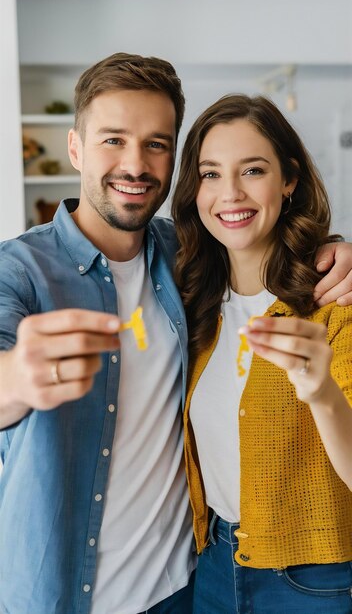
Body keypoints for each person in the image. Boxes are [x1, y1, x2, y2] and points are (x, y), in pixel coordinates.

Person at [0, 56, 351, 614]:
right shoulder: (19, 272)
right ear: (75, 149)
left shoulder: (183, 259)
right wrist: (17, 378)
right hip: (67, 594)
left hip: (186, 585)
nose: (134, 164)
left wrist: (337, 253)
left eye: (157, 144)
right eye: (113, 140)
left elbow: (259, 237)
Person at [171, 93, 352, 613]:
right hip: (211, 568)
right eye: (210, 174)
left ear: (289, 179)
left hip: (315, 581)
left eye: (252, 170)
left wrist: (320, 392)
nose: (230, 194)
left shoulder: (333, 303)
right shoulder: (189, 298)